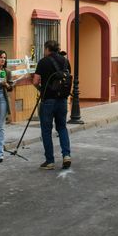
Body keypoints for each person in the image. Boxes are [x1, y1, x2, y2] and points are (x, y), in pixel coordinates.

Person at [33, 40, 72, 170]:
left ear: (47, 49)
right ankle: (66, 155)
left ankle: (49, 161)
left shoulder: (43, 62)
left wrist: (41, 89)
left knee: (46, 130)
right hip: (62, 100)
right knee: (62, 127)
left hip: (48, 100)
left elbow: (35, 81)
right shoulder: (66, 61)